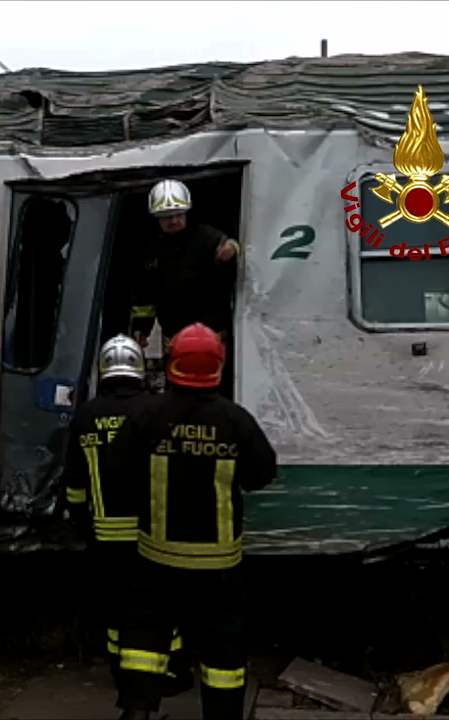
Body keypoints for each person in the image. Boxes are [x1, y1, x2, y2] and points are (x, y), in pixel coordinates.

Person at [112, 323, 277, 720]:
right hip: (219, 565)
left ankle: (137, 711)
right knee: (223, 648)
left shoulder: (146, 414)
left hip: (156, 558)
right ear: (218, 366)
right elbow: (261, 475)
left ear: (173, 365)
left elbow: (119, 470)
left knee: (145, 637)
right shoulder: (235, 420)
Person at [63, 334, 193, 705]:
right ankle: (171, 669)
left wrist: (82, 523)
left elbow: (74, 483)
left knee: (115, 605)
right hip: (153, 532)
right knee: (160, 605)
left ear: (103, 368)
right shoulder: (156, 410)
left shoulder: (85, 416)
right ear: (139, 368)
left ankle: (121, 669)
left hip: (105, 535)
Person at [129, 179, 239, 392]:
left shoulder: (206, 236)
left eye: (178, 215)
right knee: (178, 391)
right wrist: (141, 328)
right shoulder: (152, 250)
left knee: (215, 390)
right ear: (156, 218)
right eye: (166, 217)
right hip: (174, 339)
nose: (173, 221)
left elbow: (230, 247)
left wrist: (230, 250)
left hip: (214, 337)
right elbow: (146, 295)